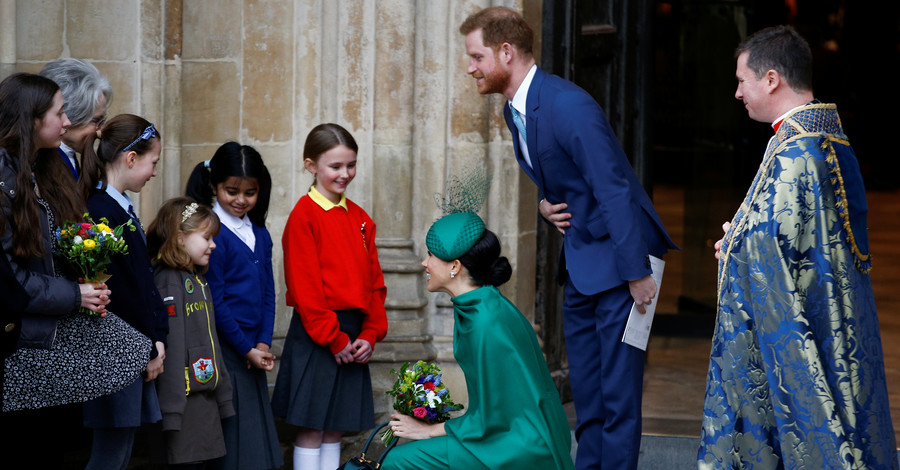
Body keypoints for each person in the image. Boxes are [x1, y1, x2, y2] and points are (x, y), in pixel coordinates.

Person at [459, 7, 676, 470]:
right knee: (588, 396)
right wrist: (545, 204)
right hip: (580, 264)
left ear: (506, 51)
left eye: (477, 56)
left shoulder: (568, 104)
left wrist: (636, 272)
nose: (471, 67)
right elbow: (563, 176)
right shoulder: (513, 109)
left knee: (618, 399)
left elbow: (614, 187)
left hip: (621, 264)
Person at [700, 26, 897, 469]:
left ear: (771, 80)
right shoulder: (824, 137)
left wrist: (735, 245)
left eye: (741, 80)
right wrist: (743, 239)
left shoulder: (798, 153)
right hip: (830, 316)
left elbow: (770, 248)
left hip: (805, 321)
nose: (737, 93)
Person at [0, 73, 130, 463]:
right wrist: (75, 295)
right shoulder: (5, 181)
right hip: (20, 341)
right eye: (59, 114)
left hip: (44, 332)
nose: (68, 122)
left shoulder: (40, 167)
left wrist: (86, 282)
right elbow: (9, 282)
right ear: (32, 119)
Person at [382, 212, 575, 470]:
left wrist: (427, 431)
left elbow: (492, 418)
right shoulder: (481, 304)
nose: (423, 263)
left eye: (430, 255)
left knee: (396, 462)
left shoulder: (485, 322)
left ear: (455, 266)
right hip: (513, 434)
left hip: (517, 444)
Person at [272, 123, 388, 470]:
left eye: (350, 165)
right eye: (335, 166)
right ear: (311, 166)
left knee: (334, 428)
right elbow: (306, 289)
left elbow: (375, 285)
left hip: (353, 334)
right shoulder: (303, 217)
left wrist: (369, 334)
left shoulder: (362, 220)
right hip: (318, 333)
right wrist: (333, 339)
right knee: (312, 427)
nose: (345, 174)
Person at [184, 142, 283, 470]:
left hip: (253, 350)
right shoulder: (214, 235)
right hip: (227, 350)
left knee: (256, 434)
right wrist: (245, 348)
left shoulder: (260, 232)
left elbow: (269, 293)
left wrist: (263, 342)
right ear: (214, 186)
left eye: (250, 192)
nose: (241, 200)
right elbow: (216, 301)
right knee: (236, 437)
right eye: (231, 191)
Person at [80, 113, 168, 470]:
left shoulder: (119, 209)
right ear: (131, 158)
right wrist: (148, 344)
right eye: (153, 162)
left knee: (122, 448)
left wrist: (157, 337)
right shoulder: (101, 211)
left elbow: (143, 284)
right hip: (115, 351)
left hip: (131, 348)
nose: (154, 172)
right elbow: (122, 294)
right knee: (110, 454)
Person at [147, 197, 235, 468]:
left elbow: (210, 341)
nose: (213, 245)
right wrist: (172, 411)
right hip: (183, 407)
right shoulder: (169, 281)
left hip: (203, 401)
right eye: (207, 237)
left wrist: (223, 395)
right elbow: (171, 351)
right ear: (180, 237)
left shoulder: (197, 278)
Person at [39, 57, 112, 180]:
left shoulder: (68, 157)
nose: (100, 131)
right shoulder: (44, 165)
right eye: (96, 121)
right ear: (71, 113)